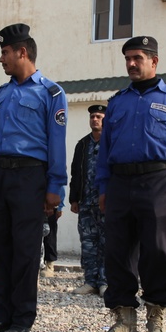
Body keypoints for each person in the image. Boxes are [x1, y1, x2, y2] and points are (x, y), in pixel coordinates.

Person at [96, 36, 166, 332]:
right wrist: (103, 186)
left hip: (157, 182)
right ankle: (124, 319)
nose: (131, 63)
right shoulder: (117, 102)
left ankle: (156, 317)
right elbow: (105, 149)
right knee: (118, 251)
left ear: (154, 61)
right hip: (120, 182)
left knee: (158, 251)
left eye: (138, 58)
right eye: (127, 58)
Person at [0, 24, 67, 332]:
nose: (1, 59)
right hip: (0, 176)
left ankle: (22, 318)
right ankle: (1, 315)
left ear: (22, 52)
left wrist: (56, 187)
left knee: (26, 250)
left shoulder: (51, 93)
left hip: (31, 176)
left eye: (5, 52)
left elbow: (57, 142)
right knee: (0, 247)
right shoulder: (0, 94)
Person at [69, 104, 107, 296]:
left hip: (106, 203)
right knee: (88, 243)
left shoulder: (112, 142)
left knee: (106, 242)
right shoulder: (82, 144)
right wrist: (74, 199)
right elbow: (76, 173)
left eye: (99, 116)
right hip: (86, 203)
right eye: (93, 116)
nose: (95, 119)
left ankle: (105, 281)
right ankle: (90, 281)